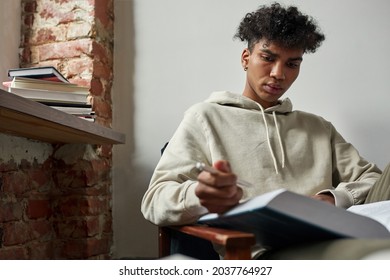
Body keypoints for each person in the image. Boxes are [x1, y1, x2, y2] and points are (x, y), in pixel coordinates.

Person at [141, 2, 390, 259]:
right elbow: (154, 201)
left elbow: (372, 179)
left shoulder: (318, 127)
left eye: (292, 64)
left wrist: (333, 198)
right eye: (268, 58)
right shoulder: (205, 117)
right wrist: (199, 196)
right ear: (246, 58)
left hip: (333, 235)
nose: (278, 74)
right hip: (269, 251)